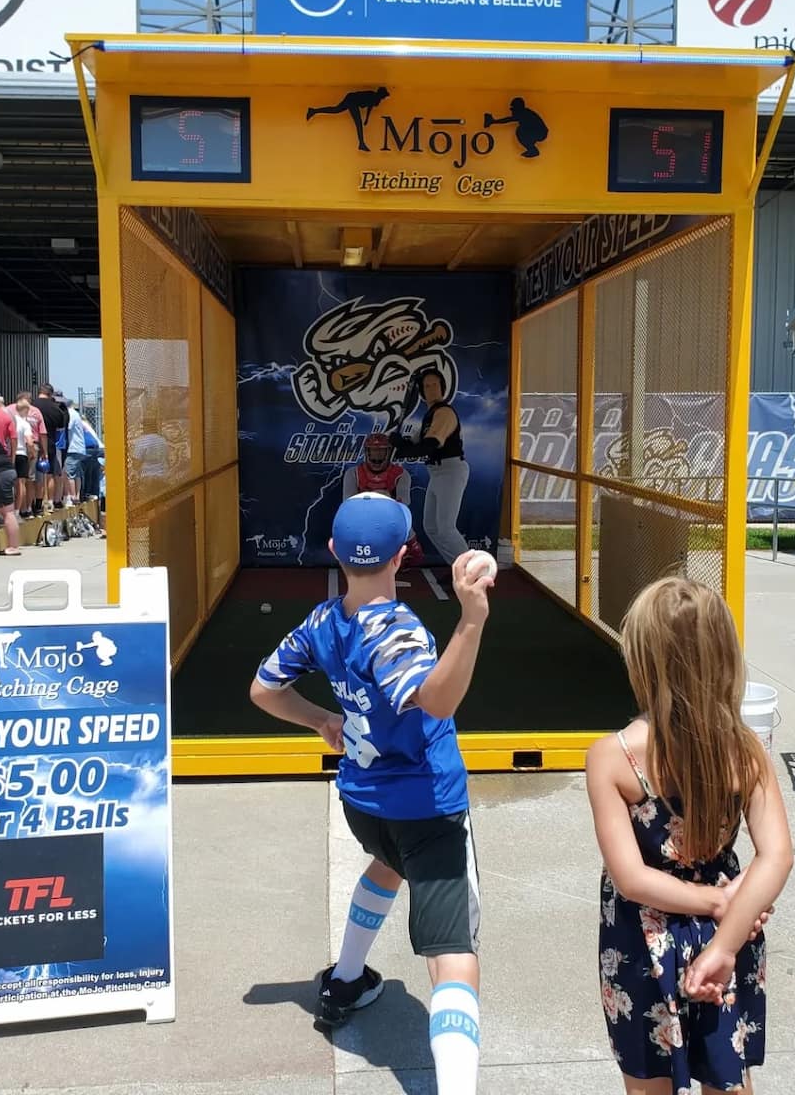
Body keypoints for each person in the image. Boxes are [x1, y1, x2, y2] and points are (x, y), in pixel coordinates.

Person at [250, 493, 494, 1094]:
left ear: (333, 551)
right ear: (404, 553)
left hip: (364, 802)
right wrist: (470, 618)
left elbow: (263, 689)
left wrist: (320, 721)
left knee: (386, 865)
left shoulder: (322, 622)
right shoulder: (397, 627)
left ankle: (346, 979)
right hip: (429, 807)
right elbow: (435, 698)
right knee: (452, 955)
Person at [585, 577, 793, 1095]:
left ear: (641, 662)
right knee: (728, 1077)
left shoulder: (614, 757)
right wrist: (725, 935)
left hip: (643, 939)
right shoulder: (745, 751)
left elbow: (632, 879)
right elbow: (777, 857)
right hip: (732, 927)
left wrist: (713, 903)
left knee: (649, 1082)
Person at [392, 369, 469, 566]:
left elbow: (430, 444)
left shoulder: (444, 412)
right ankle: (457, 568)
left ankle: (473, 574)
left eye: (435, 384)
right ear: (422, 392)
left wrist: (404, 448)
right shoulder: (429, 416)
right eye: (427, 386)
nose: (431, 389)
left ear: (442, 388)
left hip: (450, 470)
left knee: (446, 528)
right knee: (432, 527)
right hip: (437, 472)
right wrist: (399, 443)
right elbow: (414, 444)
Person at [342, 433, 425, 564]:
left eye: (381, 452)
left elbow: (403, 503)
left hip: (389, 516)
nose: (377, 457)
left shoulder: (401, 474)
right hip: (362, 516)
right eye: (374, 452)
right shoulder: (353, 473)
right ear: (367, 452)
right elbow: (348, 503)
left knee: (403, 519)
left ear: (388, 453)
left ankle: (407, 548)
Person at [35, 384, 67, 512]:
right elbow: (60, 428)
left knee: (33, 478)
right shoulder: (56, 409)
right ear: (51, 394)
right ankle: (49, 502)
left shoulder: (32, 406)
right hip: (50, 444)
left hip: (33, 443)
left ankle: (36, 503)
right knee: (50, 474)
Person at [11, 395, 37, 519]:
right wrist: (33, 453)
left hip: (12, 454)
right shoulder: (25, 424)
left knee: (11, 484)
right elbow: (30, 442)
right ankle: (19, 510)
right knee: (21, 483)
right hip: (22, 454)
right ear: (26, 410)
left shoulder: (12, 421)